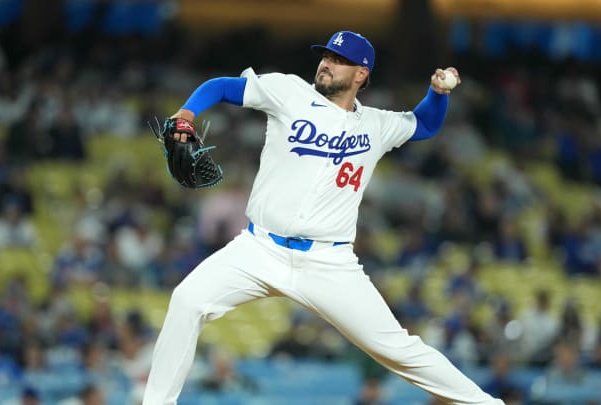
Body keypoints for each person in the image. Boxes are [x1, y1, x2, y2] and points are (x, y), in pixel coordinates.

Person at [142, 30, 504, 405]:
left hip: (328, 262)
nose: (326, 63)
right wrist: (186, 113)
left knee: (397, 349)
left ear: (361, 74)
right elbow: (221, 86)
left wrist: (438, 94)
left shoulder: (376, 125)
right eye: (326, 56)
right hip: (258, 249)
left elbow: (424, 124)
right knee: (187, 300)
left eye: (338, 60)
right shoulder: (289, 92)